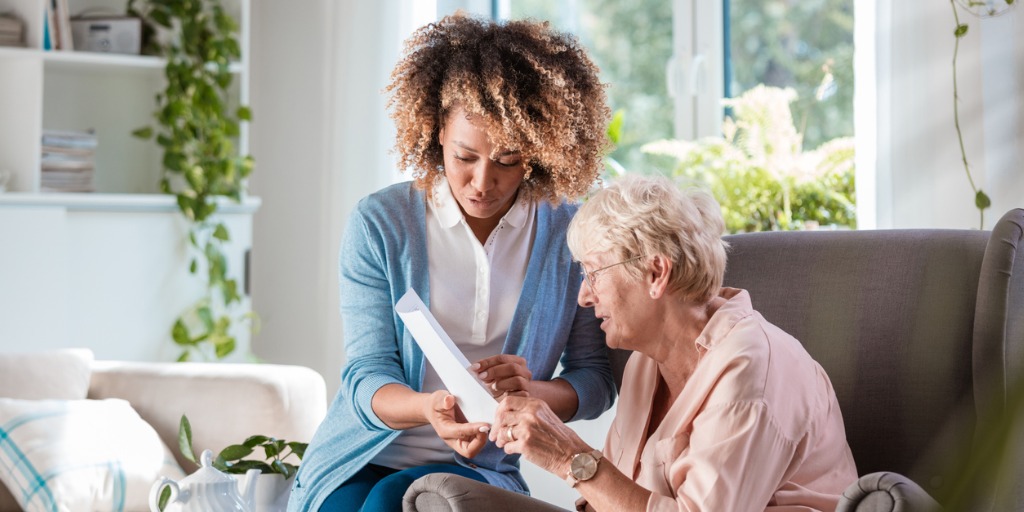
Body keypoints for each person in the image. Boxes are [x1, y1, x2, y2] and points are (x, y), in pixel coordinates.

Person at [287, 12, 617, 512]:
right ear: (438, 131)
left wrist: (533, 392)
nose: (483, 182)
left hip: (479, 465)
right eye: (466, 157)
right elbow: (365, 375)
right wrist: (430, 409)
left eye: (508, 161)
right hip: (360, 454)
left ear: (539, 151)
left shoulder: (570, 235)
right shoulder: (380, 224)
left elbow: (595, 380)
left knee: (389, 503)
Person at [491, 175, 858, 511]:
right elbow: (612, 497)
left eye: (594, 274)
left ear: (656, 273)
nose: (584, 297)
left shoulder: (752, 369)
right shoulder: (645, 363)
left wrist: (568, 456)